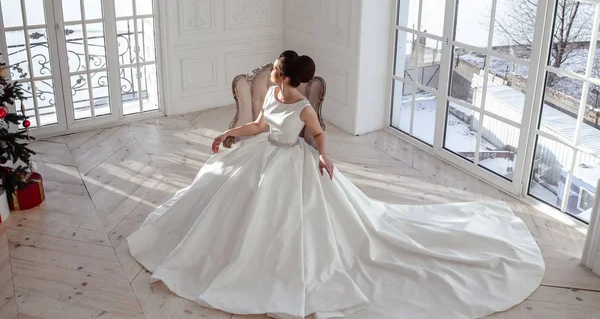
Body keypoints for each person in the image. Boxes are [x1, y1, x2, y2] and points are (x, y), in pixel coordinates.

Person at [127, 50, 545, 319]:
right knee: (225, 194)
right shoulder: (274, 96)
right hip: (262, 155)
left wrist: (325, 157)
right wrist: (229, 135)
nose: (271, 71)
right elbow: (258, 123)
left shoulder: (305, 107)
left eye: (275, 69)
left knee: (297, 225)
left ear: (286, 77)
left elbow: (319, 134)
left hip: (293, 164)